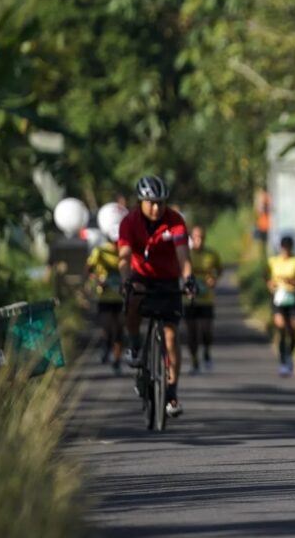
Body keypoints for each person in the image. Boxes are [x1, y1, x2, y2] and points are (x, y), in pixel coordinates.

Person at [118, 175, 196, 418]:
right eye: (151, 203)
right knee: (132, 301)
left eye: (161, 203)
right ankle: (134, 344)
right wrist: (125, 281)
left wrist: (188, 279)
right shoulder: (129, 223)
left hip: (168, 279)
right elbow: (124, 256)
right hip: (141, 277)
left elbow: (183, 254)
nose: (156, 208)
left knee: (171, 337)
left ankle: (171, 392)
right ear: (140, 202)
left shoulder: (175, 221)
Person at [266, 235, 295, 377]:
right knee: (281, 328)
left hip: (292, 298)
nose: (285, 250)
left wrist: (294, 282)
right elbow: (266, 275)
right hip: (278, 299)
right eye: (283, 247)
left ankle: (289, 353)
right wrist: (270, 283)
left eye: (288, 247)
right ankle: (283, 362)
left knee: (293, 329)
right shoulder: (273, 261)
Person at [184, 225, 222, 373]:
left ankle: (206, 352)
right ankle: (194, 361)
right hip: (189, 300)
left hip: (207, 298)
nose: (198, 240)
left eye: (201, 237)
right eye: (196, 237)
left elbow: (219, 269)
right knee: (191, 332)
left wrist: (214, 278)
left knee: (206, 331)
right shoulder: (186, 254)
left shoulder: (212, 254)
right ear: (191, 238)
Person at [86, 230, 124, 374]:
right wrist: (97, 281)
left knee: (119, 329)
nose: (116, 244)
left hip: (121, 297)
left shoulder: (126, 251)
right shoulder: (100, 251)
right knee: (107, 327)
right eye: (114, 241)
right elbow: (89, 269)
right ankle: (106, 346)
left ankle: (117, 361)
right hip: (105, 297)